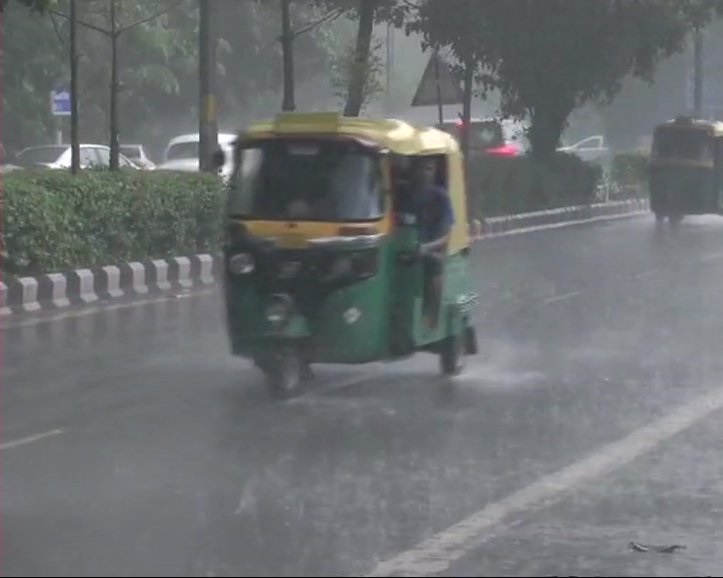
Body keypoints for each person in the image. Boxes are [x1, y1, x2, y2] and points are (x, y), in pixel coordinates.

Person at [414, 158, 455, 328]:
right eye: (420, 168)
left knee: (434, 268)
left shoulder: (441, 198)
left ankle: (432, 318)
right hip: (406, 246)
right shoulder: (406, 195)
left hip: (431, 249)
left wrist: (426, 248)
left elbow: (445, 236)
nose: (424, 173)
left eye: (428, 169)